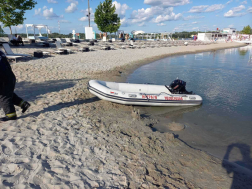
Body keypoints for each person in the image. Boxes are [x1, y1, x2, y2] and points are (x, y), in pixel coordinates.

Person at [0, 50, 30, 122]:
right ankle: (24, 104)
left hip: (3, 78)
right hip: (9, 76)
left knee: (4, 96)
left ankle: (11, 115)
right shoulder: (1, 53)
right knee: (7, 93)